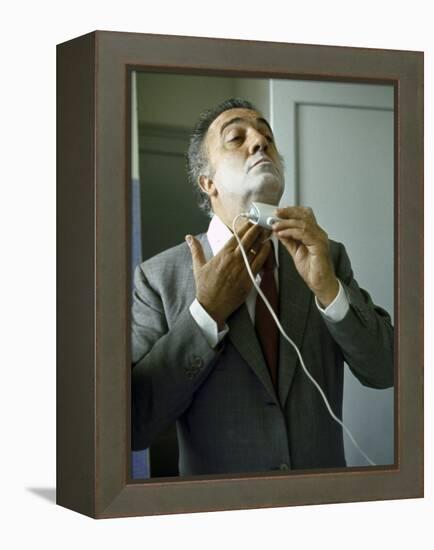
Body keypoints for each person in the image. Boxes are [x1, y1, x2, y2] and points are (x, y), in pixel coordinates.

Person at [131, 98, 394, 476]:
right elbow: (135, 424)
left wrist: (330, 291)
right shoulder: (157, 279)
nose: (260, 141)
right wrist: (205, 314)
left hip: (322, 507)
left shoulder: (326, 257)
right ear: (208, 183)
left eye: (267, 136)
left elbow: (386, 371)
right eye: (236, 137)